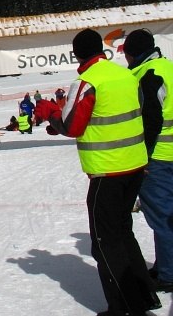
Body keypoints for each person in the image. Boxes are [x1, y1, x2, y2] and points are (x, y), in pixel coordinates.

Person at [47, 28, 159, 316]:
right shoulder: (126, 76)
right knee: (123, 233)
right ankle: (145, 296)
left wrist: (50, 114)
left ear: (77, 54)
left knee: (105, 243)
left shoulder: (87, 81)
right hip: (135, 165)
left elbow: (72, 126)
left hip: (107, 172)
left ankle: (125, 306)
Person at [122, 29, 173, 293]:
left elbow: (151, 119)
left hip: (159, 157)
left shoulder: (148, 74)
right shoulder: (168, 67)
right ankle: (165, 264)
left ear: (133, 53)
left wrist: (143, 156)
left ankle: (168, 274)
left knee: (162, 217)